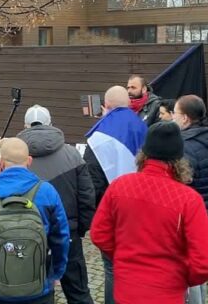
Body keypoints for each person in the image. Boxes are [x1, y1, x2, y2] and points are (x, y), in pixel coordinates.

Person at [90, 121, 208, 304]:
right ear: (179, 159)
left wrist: (122, 260)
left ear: (143, 153)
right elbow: (206, 261)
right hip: (167, 294)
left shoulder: (119, 186)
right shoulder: (189, 200)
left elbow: (99, 234)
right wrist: (183, 278)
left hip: (126, 291)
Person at [0, 138, 70, 304]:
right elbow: (61, 238)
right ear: (29, 161)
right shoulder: (47, 191)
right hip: (39, 288)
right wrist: (56, 273)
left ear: (1, 163)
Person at [17, 105, 95, 304]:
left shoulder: (15, 158)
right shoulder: (72, 154)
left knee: (34, 292)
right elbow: (87, 197)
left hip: (28, 233)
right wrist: (79, 229)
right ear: (50, 124)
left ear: (25, 126)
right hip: (67, 233)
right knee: (78, 292)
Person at [83, 86, 147, 304]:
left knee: (112, 267)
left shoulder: (99, 136)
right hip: (142, 209)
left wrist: (92, 216)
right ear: (128, 104)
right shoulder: (143, 126)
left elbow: (93, 182)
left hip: (113, 212)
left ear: (106, 106)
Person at [173, 95, 208, 231]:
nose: (172, 117)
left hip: (192, 219)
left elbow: (179, 185)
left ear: (185, 118)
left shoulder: (185, 146)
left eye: (175, 113)